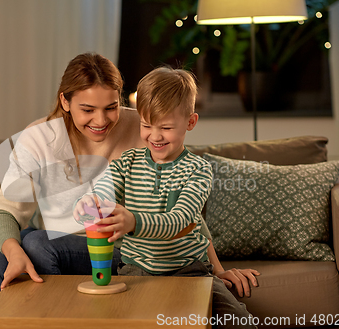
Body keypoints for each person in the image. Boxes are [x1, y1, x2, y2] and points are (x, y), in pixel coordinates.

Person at [0, 53, 258, 328]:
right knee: (1, 253)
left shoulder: (145, 125)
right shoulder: (39, 137)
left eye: (111, 107)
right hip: (69, 248)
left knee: (35, 243)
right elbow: (6, 209)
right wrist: (14, 249)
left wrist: (217, 269)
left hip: (131, 249)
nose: (101, 120)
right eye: (87, 109)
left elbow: (180, 204)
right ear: (65, 101)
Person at [74, 66, 259, 328]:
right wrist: (86, 202)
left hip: (191, 272)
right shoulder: (126, 163)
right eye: (146, 125)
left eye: (166, 127)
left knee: (241, 322)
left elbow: (180, 220)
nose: (155, 136)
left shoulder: (198, 170)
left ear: (190, 122)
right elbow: (100, 193)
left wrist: (134, 222)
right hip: (136, 273)